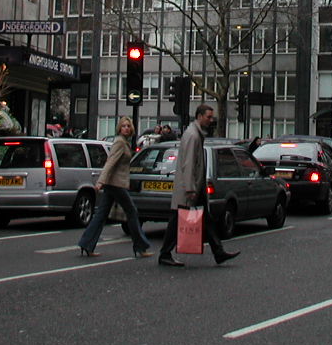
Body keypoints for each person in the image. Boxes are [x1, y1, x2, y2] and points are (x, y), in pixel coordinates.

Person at [157, 104, 239, 267]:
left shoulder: (196, 134)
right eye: (208, 117)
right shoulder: (192, 135)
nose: (211, 120)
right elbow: (188, 164)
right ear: (199, 116)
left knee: (206, 219)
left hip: (196, 185)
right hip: (190, 187)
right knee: (177, 219)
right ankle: (165, 253)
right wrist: (190, 188)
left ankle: (218, 252)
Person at [77, 117, 152, 259]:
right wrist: (100, 181)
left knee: (101, 214)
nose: (126, 128)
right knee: (131, 211)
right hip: (116, 184)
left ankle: (86, 244)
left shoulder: (124, 142)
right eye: (123, 126)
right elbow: (110, 163)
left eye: (128, 126)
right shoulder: (119, 143)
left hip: (113, 184)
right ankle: (140, 246)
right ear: (119, 128)